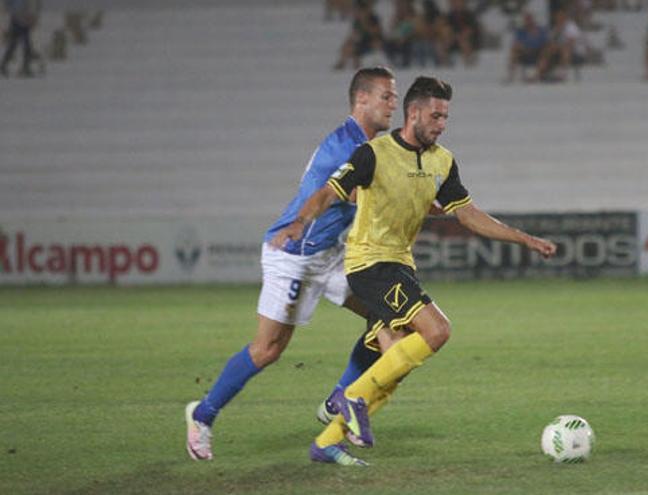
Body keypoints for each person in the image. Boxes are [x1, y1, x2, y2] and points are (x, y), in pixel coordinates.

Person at [271, 76, 557, 466]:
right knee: (438, 330)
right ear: (414, 113)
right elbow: (327, 192)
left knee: (398, 364)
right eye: (436, 116)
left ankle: (327, 442)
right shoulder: (373, 153)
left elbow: (469, 216)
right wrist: (299, 222)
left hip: (401, 265)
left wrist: (525, 239)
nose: (441, 123)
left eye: (446, 117)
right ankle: (352, 397)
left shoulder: (443, 161)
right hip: (369, 263)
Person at [184, 66, 399, 462]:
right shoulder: (345, 146)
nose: (393, 103)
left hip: (331, 256)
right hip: (296, 255)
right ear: (362, 100)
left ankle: (341, 400)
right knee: (267, 350)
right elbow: (352, 198)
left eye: (394, 96)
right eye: (386, 96)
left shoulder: (365, 146)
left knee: (388, 317)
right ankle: (202, 414)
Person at [1, 0, 41, 78]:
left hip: (23, 22)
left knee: (23, 46)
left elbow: (33, 8)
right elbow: (10, 7)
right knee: (18, 45)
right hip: (18, 21)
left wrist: (32, 19)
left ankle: (24, 67)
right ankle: (5, 66)